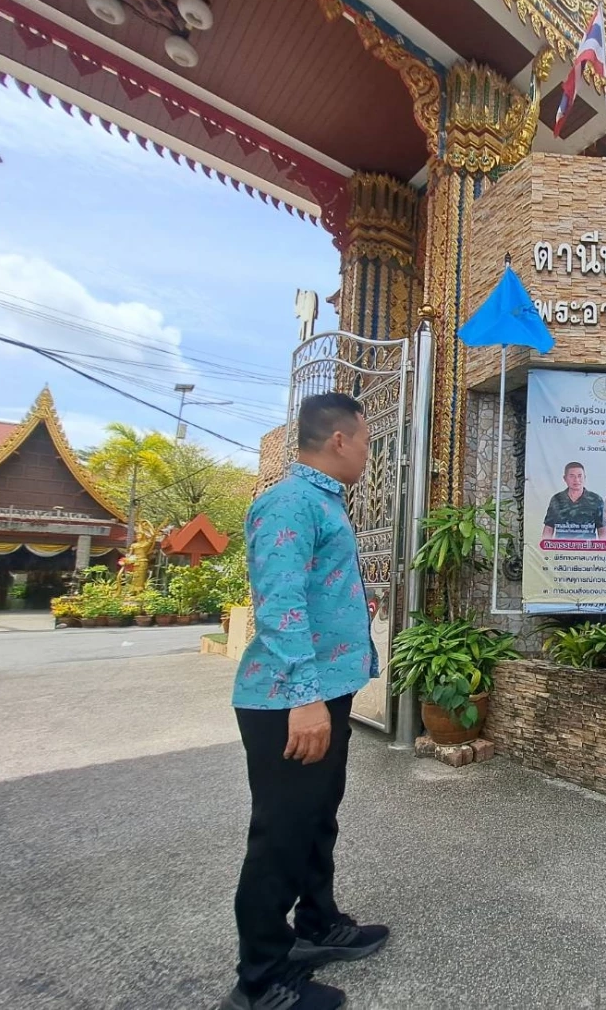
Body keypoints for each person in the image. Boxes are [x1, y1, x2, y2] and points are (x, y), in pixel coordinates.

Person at [221, 393, 388, 1010]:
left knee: (317, 818)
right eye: (366, 442)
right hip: (291, 701)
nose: (369, 454)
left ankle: (317, 924)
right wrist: (305, 696)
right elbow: (280, 602)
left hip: (323, 692)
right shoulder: (289, 501)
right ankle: (260, 979)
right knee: (282, 834)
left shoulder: (323, 502)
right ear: (339, 440)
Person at [542, 461, 605, 540]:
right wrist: (545, 546)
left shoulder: (596, 500)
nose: (576, 480)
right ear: (565, 478)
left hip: (588, 546)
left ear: (584, 477)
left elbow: (602, 530)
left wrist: (604, 546)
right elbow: (549, 528)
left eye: (579, 476)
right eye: (572, 476)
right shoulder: (556, 499)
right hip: (561, 546)